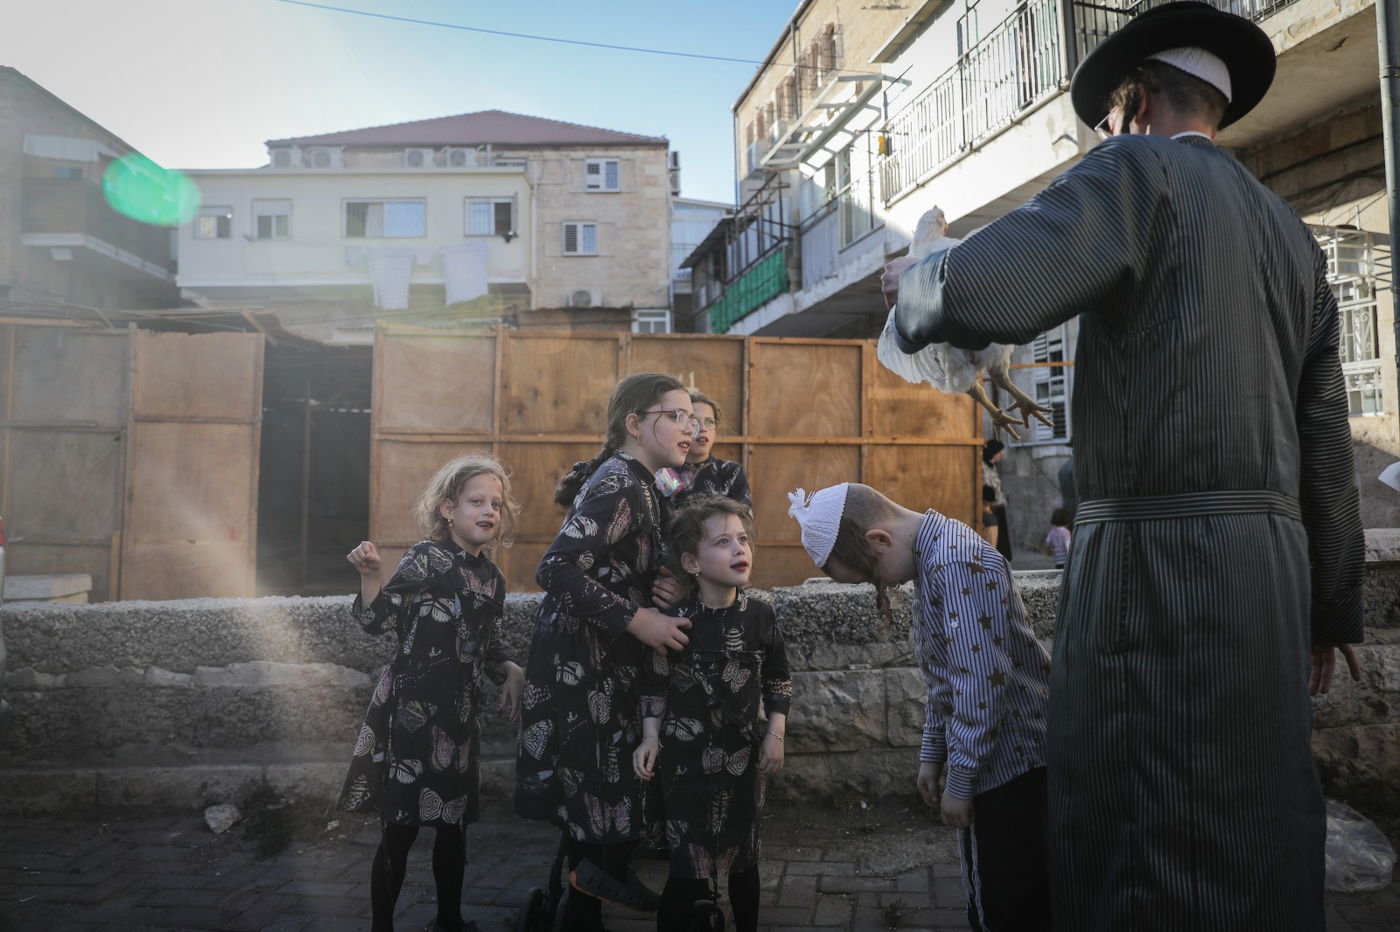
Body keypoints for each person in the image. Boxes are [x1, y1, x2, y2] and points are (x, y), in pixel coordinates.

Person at [880, 4, 1365, 928]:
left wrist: (918, 278)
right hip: (1269, 585)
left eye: (1106, 120)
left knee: (1141, 826)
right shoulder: (1292, 236)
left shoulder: (1134, 169)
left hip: (1157, 571)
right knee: (1250, 821)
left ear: (1134, 100)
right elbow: (1327, 444)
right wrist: (1329, 607)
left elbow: (982, 287)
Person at [788, 483, 1051, 932]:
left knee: (1012, 900)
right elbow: (945, 671)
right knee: (992, 888)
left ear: (878, 540)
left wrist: (962, 779)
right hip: (993, 758)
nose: (883, 585)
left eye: (872, 577)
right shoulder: (934, 555)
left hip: (1012, 765)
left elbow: (980, 684)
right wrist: (933, 753)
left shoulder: (956, 562)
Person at [514, 373, 697, 931]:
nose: (689, 427)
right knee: (600, 785)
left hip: (605, 658)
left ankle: (585, 904)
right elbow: (556, 568)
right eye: (677, 415)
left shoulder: (645, 481)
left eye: (693, 417)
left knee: (599, 790)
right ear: (635, 424)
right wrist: (639, 618)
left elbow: (622, 564)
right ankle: (587, 899)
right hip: (583, 661)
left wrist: (668, 590)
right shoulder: (619, 480)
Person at [340, 453, 526, 932]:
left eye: (496, 504)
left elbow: (486, 644)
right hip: (410, 713)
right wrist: (369, 576)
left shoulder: (492, 579)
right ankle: (383, 926)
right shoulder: (429, 557)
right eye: (475, 501)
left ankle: (449, 919)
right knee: (400, 828)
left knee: (452, 828)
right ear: (448, 509)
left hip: (458, 718)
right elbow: (375, 620)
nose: (488, 511)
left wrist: (509, 667)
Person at [633, 495, 791, 932]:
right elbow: (653, 683)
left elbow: (779, 678)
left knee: (744, 861)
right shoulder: (674, 621)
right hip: (683, 763)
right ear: (693, 562)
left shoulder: (761, 616)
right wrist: (649, 737)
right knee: (686, 869)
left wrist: (775, 732)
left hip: (743, 758)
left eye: (743, 539)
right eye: (723, 542)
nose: (740, 549)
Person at [672, 391, 752, 506]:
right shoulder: (663, 472)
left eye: (710, 422)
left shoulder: (731, 472)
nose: (703, 428)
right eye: (694, 422)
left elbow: (745, 520)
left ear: (716, 430)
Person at [982, 440, 1013, 564]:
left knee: (1002, 538)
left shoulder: (992, 466)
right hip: (990, 507)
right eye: (1000, 452)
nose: (1002, 454)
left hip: (998, 506)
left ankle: (1002, 561)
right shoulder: (982, 467)